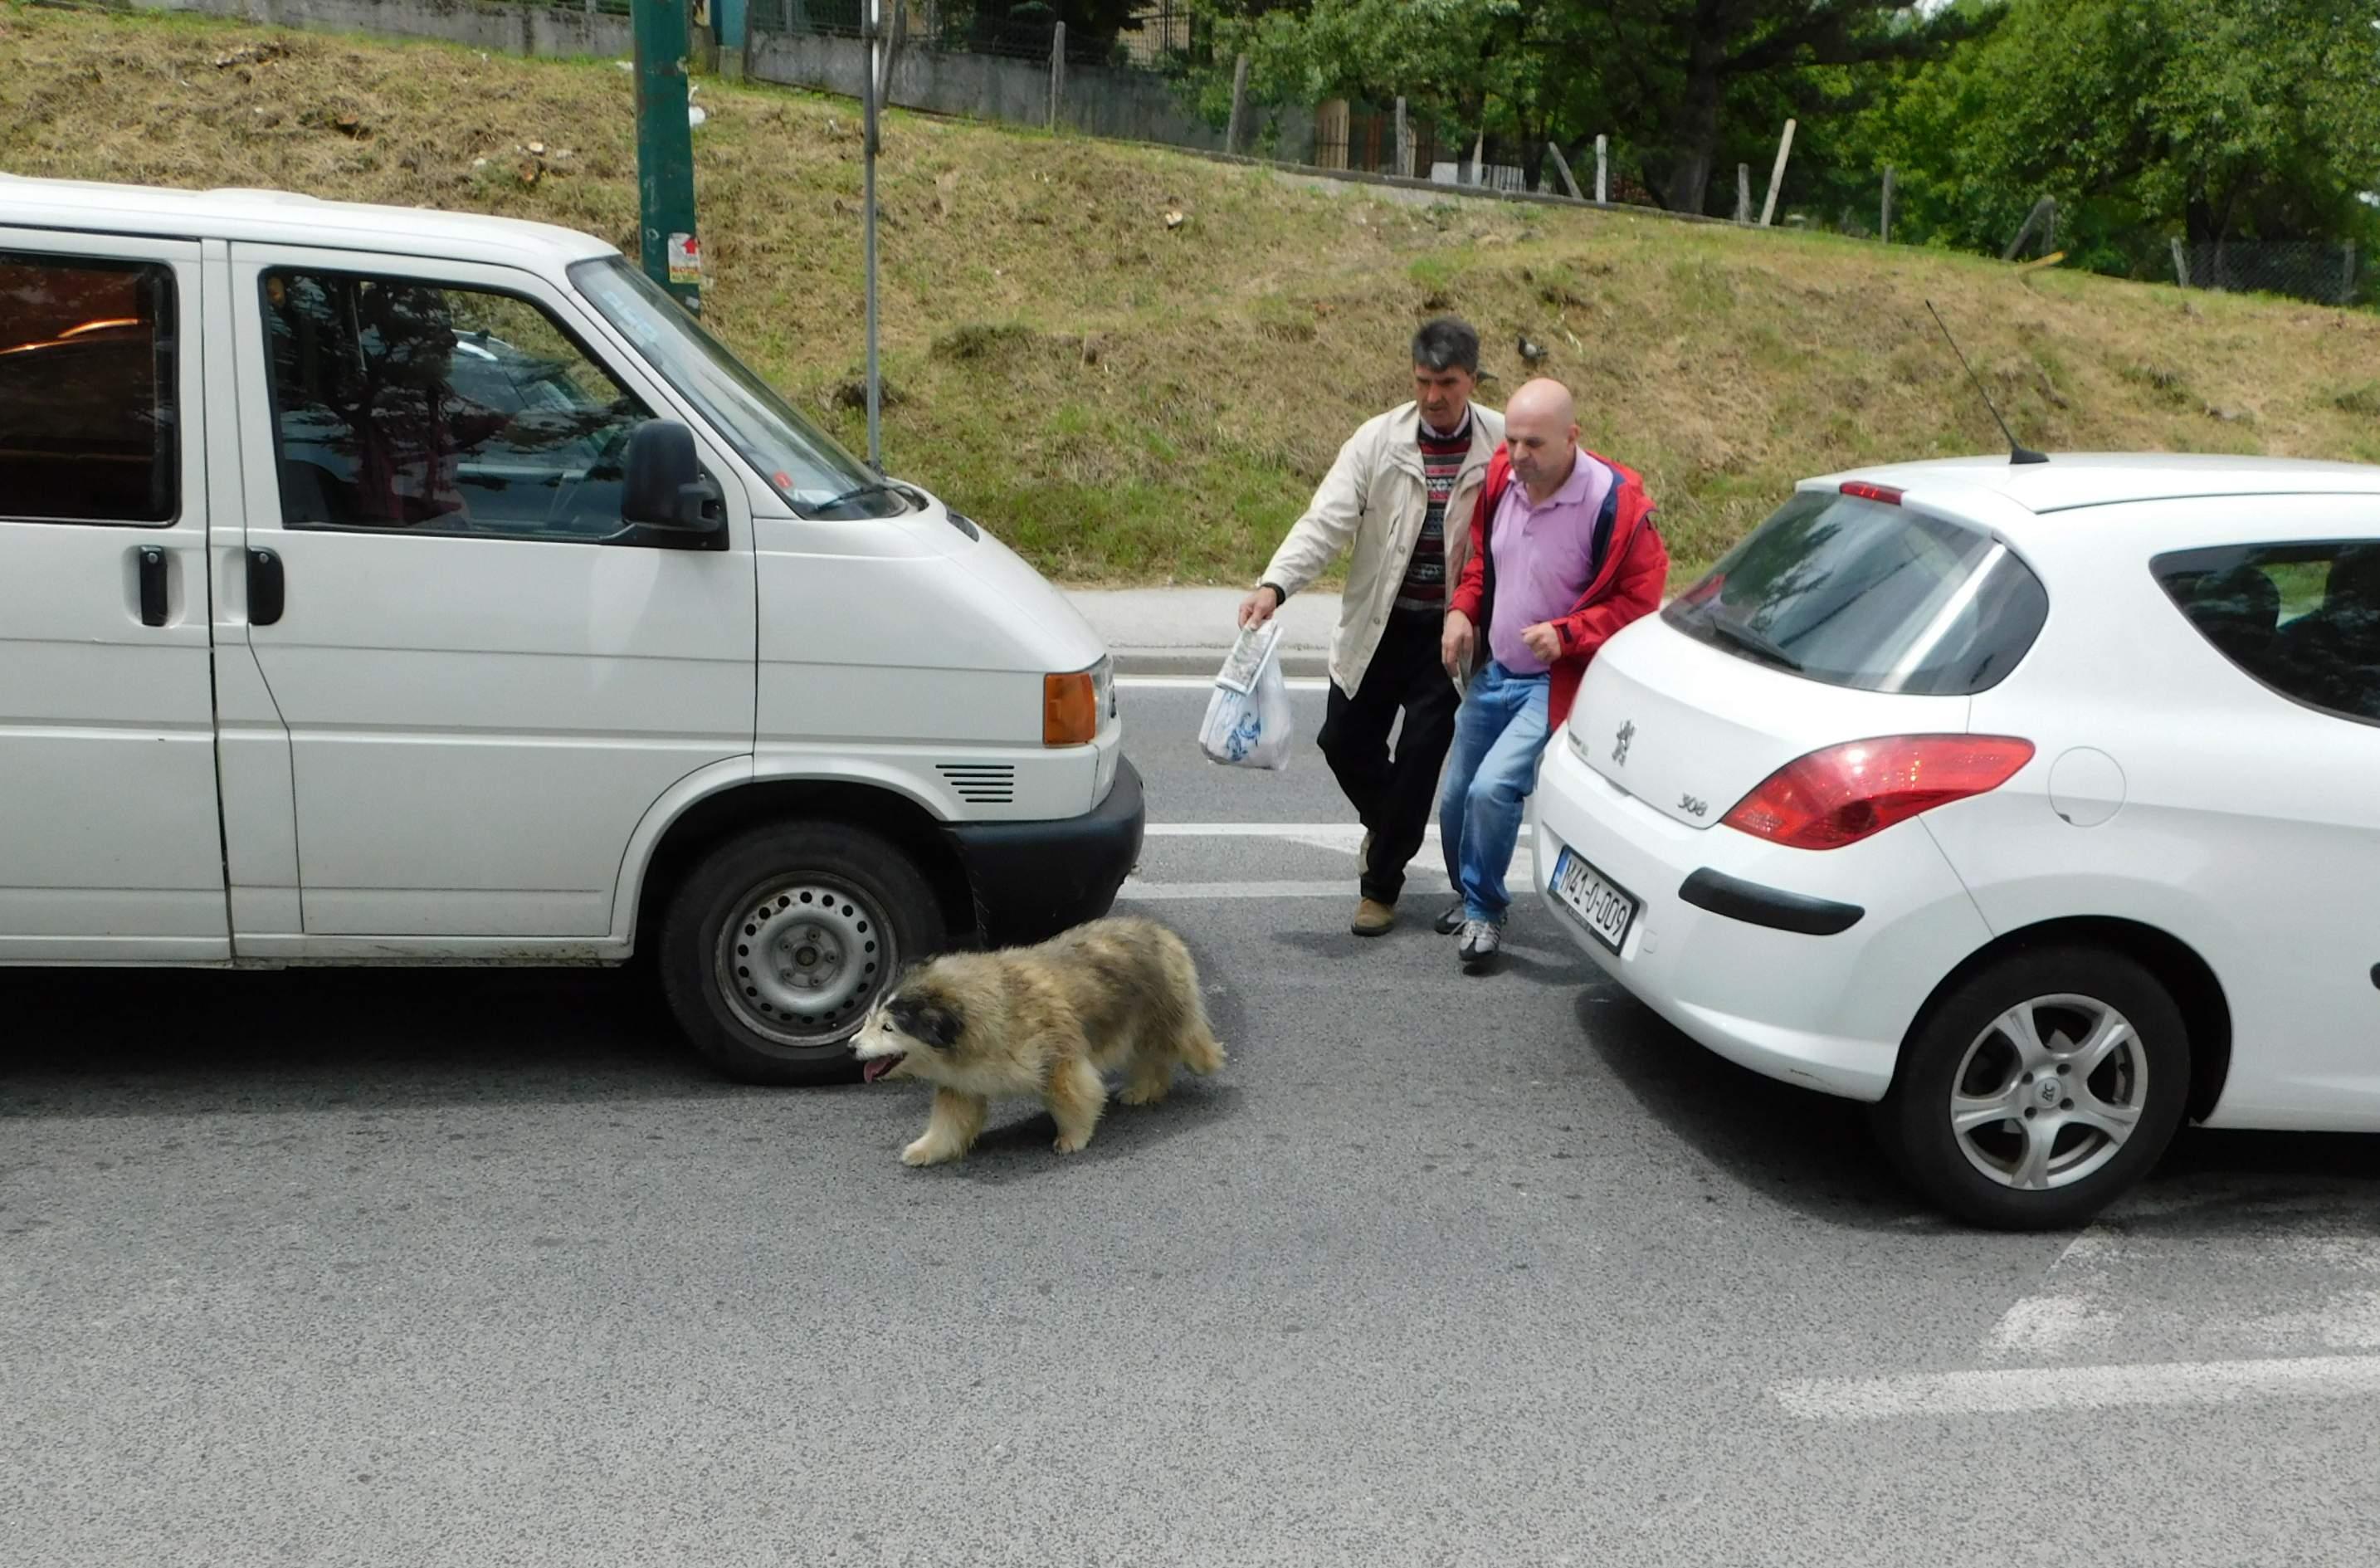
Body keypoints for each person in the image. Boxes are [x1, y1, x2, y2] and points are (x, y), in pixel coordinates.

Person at [1237, 318, 1506, 937]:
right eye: (1422, 381)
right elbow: (1325, 521)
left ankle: (1380, 885)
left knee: (1418, 758)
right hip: (1377, 626)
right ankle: (1393, 830)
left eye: (1448, 382)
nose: (1434, 396)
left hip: (1453, 633)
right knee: (1342, 741)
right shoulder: (1378, 440)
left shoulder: (1499, 443)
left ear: (1471, 379)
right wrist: (1274, 584)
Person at [1436, 377, 1667, 969]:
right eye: (1511, 440)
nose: (1518, 456)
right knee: (1457, 795)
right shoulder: (1500, 480)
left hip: (1553, 681)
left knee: (1493, 790)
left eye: (1534, 443)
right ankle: (1469, 891)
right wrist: (1463, 611)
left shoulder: (1614, 505)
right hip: (1497, 671)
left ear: (1573, 437)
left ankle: (1485, 910)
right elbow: (1482, 561)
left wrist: (1567, 635)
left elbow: (1640, 606)